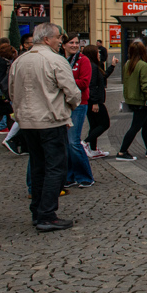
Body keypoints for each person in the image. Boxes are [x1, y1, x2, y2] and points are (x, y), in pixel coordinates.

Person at [9, 22, 80, 232]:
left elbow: (12, 91)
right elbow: (73, 92)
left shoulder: (19, 61)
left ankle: (37, 211)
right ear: (47, 39)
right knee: (56, 167)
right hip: (51, 120)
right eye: (59, 37)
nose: (61, 41)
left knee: (38, 165)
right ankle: (47, 214)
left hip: (28, 123)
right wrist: (69, 108)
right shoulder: (55, 60)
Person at [116, 40, 147, 161]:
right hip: (140, 100)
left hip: (131, 99)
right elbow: (145, 86)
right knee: (135, 127)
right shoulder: (143, 65)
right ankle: (122, 151)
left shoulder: (127, 64)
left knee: (146, 123)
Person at [62, 34, 94, 188]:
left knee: (74, 141)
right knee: (66, 143)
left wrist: (64, 83)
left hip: (80, 103)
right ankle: (70, 176)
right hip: (63, 104)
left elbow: (84, 82)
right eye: (71, 42)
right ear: (64, 45)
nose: (74, 45)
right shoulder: (61, 60)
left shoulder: (83, 60)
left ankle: (85, 176)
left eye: (77, 43)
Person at [82, 45, 115, 158]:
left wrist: (112, 66)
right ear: (92, 54)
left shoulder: (94, 66)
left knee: (94, 125)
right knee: (104, 124)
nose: (99, 54)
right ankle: (85, 143)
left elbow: (103, 76)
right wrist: (95, 102)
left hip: (90, 100)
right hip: (94, 101)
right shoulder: (92, 67)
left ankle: (93, 149)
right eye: (97, 52)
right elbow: (92, 85)